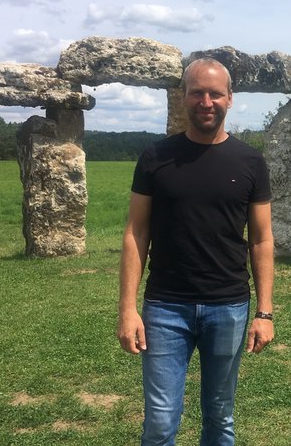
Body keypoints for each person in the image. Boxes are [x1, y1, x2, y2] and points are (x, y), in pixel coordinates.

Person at [116, 57, 275, 446]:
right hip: (165, 307)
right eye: (197, 92)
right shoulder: (156, 157)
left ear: (230, 99)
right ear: (183, 97)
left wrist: (265, 312)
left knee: (220, 417)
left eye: (215, 93)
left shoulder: (251, 161)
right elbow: (136, 232)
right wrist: (127, 308)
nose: (207, 101)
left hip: (229, 306)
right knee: (159, 422)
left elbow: (262, 239)